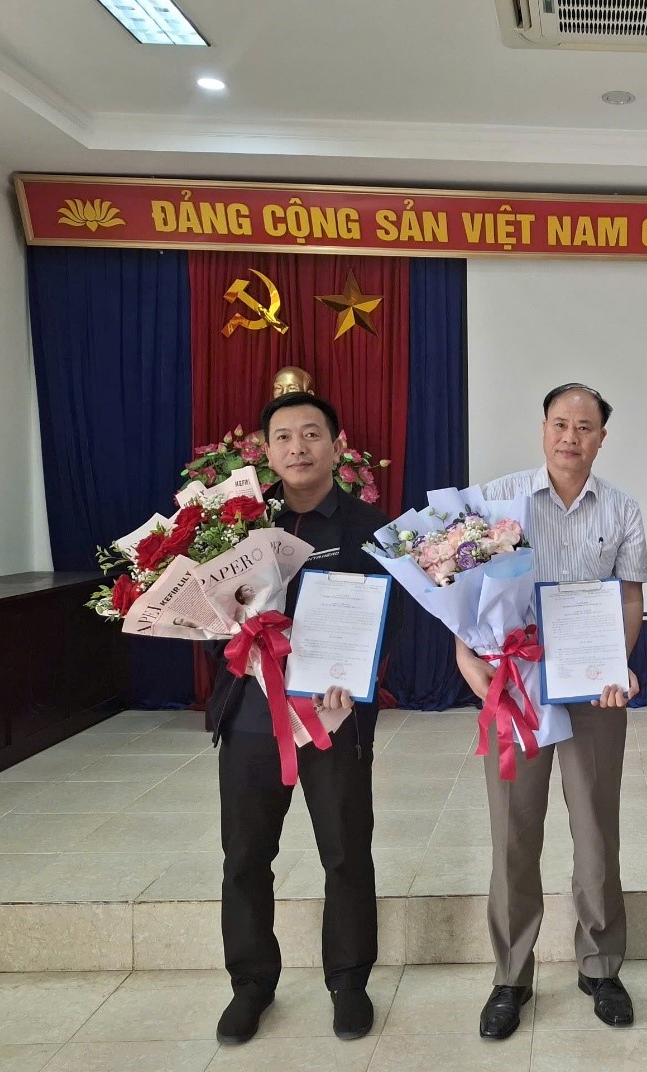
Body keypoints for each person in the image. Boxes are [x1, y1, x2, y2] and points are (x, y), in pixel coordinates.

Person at [455, 382, 647, 1040]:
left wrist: (614, 665)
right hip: (513, 685)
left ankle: (600, 966)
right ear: (543, 428)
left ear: (601, 438)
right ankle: (511, 974)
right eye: (560, 424)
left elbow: (629, 598)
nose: (571, 436)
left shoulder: (622, 508)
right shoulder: (497, 500)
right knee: (514, 831)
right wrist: (464, 654)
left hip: (592, 691)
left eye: (585, 427)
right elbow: (462, 591)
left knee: (596, 830)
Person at [206, 391, 398, 1046]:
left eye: (311, 434)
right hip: (252, 715)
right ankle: (251, 985)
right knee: (245, 855)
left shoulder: (370, 528)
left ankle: (349, 981)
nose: (298, 447)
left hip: (332, 718)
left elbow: (389, 619)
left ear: (336, 447)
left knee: (345, 852)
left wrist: (356, 677)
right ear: (266, 452)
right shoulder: (239, 528)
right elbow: (210, 619)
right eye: (284, 437)